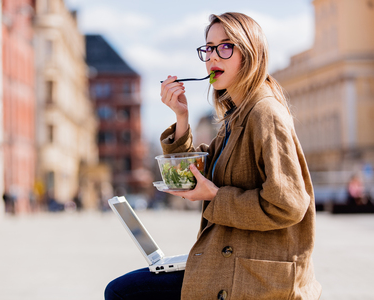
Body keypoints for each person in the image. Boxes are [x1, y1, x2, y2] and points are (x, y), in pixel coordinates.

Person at [105, 12, 322, 300]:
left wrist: (215, 197)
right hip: (231, 264)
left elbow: (288, 204)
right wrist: (181, 117)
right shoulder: (237, 114)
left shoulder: (265, 112)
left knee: (123, 292)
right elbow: (201, 174)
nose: (212, 57)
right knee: (126, 288)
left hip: (256, 277)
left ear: (250, 53)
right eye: (208, 47)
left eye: (225, 46)